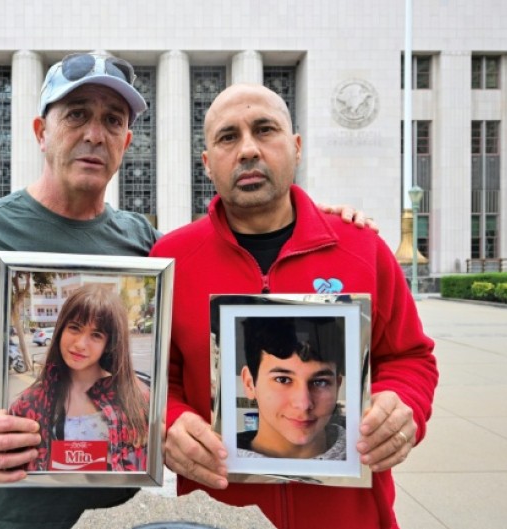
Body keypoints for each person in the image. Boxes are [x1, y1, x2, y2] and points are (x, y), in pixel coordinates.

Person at [0, 52, 374, 529]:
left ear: (126, 141)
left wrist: (313, 217)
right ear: (41, 132)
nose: (94, 134)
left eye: (112, 120)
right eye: (76, 115)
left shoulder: (145, 245)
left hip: (112, 513)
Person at [149, 84, 438, 528]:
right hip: (219, 515)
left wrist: (403, 405)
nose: (248, 149)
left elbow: (409, 356)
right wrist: (169, 422)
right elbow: (152, 376)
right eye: (228, 137)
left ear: (296, 147)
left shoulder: (362, 249)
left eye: (265, 130)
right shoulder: (171, 261)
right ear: (207, 163)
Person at [9, 284, 149, 471]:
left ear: (109, 344)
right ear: (60, 330)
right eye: (74, 328)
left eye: (96, 335)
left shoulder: (137, 398)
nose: (81, 344)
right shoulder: (31, 401)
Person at [236, 317, 346, 461]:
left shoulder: (366, 456)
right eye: (283, 380)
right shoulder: (217, 460)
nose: (303, 404)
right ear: (249, 383)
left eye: (320, 382)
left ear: (337, 386)